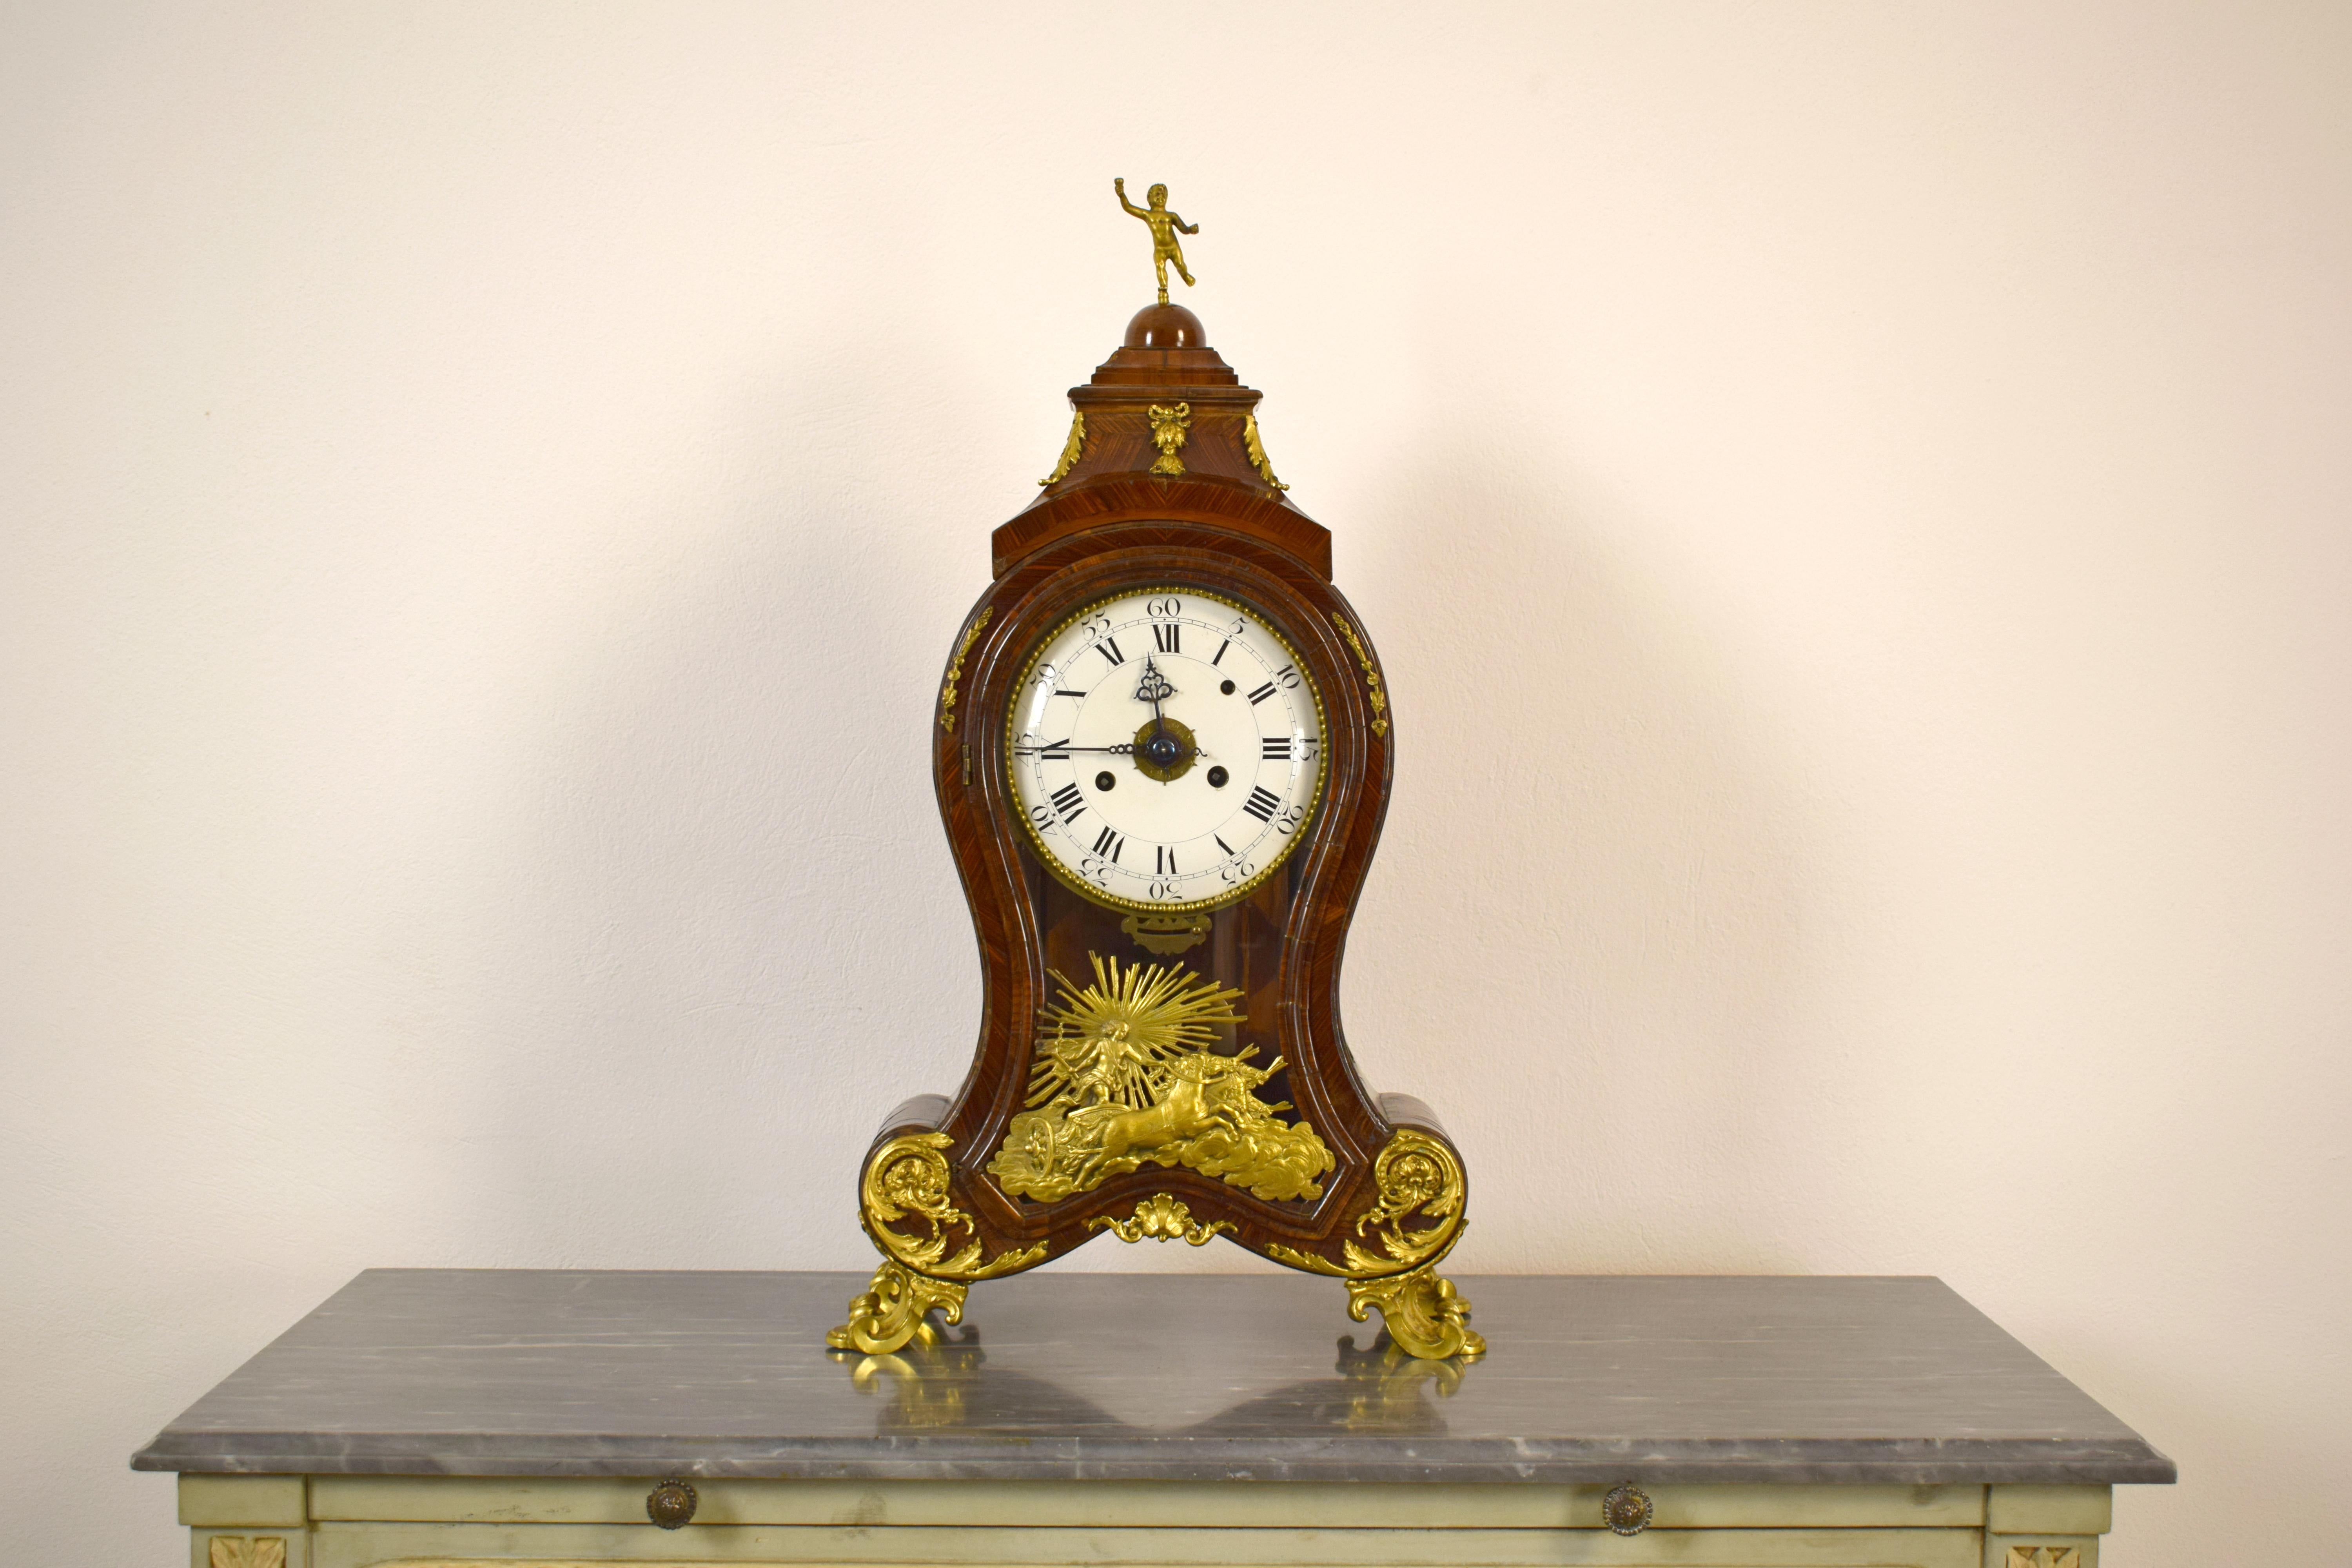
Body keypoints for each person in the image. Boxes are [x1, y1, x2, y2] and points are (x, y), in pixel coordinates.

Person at [1114, 178, 1198, 304]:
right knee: (1160, 266)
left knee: (1180, 264)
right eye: (1157, 194)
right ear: (1150, 199)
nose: (1161, 197)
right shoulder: (1148, 215)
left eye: (1164, 195)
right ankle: (1163, 289)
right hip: (1160, 249)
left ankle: (1185, 275)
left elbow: (1183, 228)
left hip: (1173, 247)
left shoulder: (1171, 216)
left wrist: (1190, 230)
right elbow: (1128, 207)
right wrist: (1122, 195)